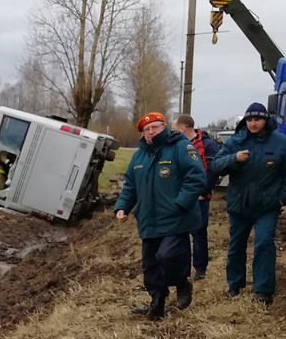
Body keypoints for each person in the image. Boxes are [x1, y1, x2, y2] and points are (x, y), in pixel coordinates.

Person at [114, 112, 205, 320]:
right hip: (148, 220)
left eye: (154, 127)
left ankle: (182, 283)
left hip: (175, 218)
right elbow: (130, 185)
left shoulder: (180, 147)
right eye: (146, 129)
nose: (150, 132)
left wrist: (181, 203)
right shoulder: (139, 156)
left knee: (168, 256)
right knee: (150, 267)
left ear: (164, 127)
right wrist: (122, 207)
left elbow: (196, 178)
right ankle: (157, 305)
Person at [211, 102, 286, 305]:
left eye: (257, 119)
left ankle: (263, 290)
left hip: (267, 205)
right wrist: (233, 158)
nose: (253, 124)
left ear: (266, 120)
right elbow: (215, 165)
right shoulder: (235, 142)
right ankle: (235, 285)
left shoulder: (280, 142)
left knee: (263, 243)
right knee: (236, 245)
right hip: (239, 204)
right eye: (249, 120)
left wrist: (281, 198)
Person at [171, 114, 219, 280]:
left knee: (198, 233)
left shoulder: (208, 145)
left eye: (174, 129)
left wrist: (200, 192)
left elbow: (212, 172)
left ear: (183, 128)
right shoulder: (176, 146)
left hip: (200, 198)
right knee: (180, 233)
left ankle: (200, 269)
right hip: (180, 195)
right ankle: (181, 269)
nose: (172, 132)